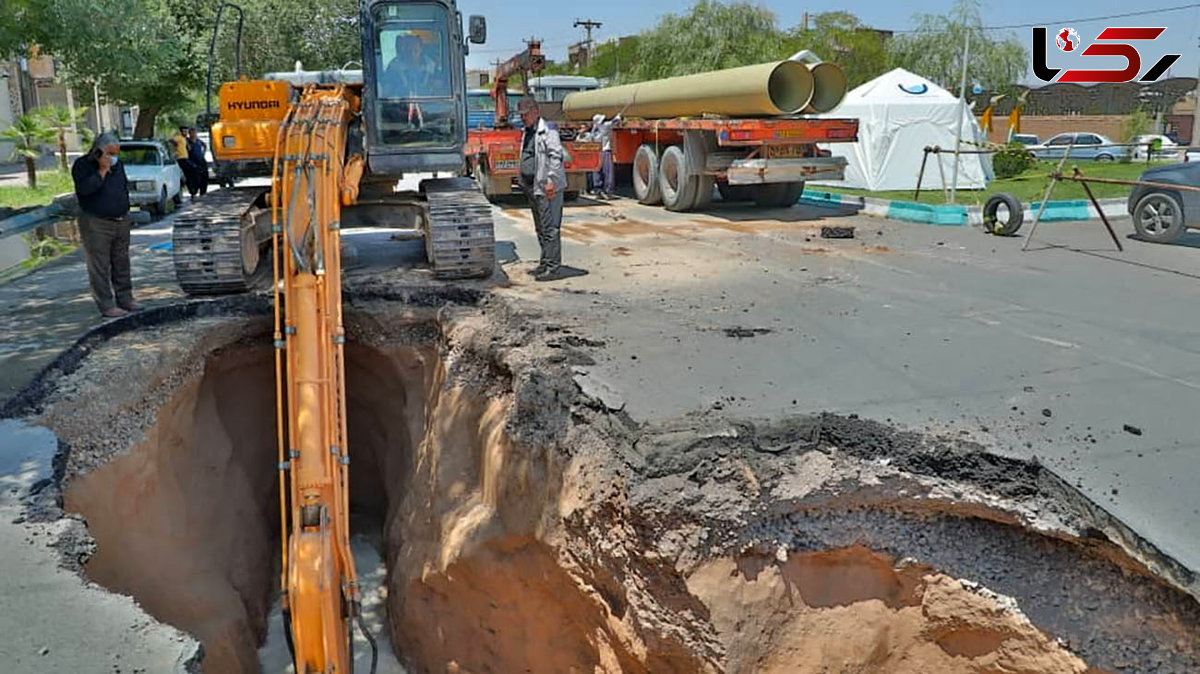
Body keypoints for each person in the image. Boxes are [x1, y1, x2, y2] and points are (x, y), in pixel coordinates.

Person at [71, 133, 139, 318]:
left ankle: (125, 298)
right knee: (100, 265)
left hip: (121, 220)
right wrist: (102, 170)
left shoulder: (119, 166)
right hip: (97, 222)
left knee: (122, 262)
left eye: (116, 153)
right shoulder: (83, 166)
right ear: (99, 151)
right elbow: (85, 190)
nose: (113, 157)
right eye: (110, 153)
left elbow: (122, 188)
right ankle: (106, 305)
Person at [517, 97, 567, 281]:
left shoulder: (549, 131)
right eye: (521, 115)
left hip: (547, 188)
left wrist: (551, 181)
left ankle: (553, 269)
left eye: (525, 115)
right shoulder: (528, 131)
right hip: (533, 187)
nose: (523, 118)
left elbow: (556, 156)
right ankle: (545, 262)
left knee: (550, 228)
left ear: (535, 112)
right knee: (541, 228)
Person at [590, 113, 619, 199]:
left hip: (596, 152)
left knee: (597, 171)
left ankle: (598, 190)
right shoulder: (604, 127)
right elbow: (614, 122)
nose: (604, 121)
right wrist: (618, 116)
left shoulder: (594, 130)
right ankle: (608, 191)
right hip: (605, 151)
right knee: (608, 172)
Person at [186, 128, 209, 197]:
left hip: (201, 160)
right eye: (192, 133)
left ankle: (203, 192)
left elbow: (204, 145)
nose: (194, 135)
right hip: (193, 161)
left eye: (195, 133)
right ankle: (194, 192)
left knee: (204, 176)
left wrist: (203, 153)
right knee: (195, 178)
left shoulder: (198, 141)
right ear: (189, 134)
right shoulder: (187, 141)